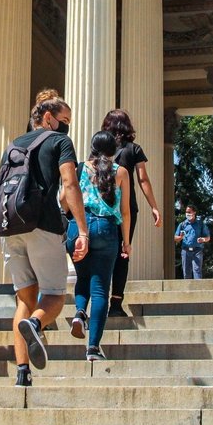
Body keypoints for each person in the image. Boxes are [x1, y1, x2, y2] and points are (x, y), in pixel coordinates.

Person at [4, 94, 89, 387]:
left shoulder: (14, 142)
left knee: (24, 300)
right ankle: (36, 324)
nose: (66, 126)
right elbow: (69, 184)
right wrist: (82, 228)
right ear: (49, 118)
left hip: (12, 226)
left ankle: (22, 371)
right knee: (54, 297)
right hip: (44, 224)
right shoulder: (60, 142)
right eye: (64, 120)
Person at [66, 131, 131, 361]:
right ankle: (93, 348)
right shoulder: (121, 172)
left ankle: (79, 312)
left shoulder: (80, 168)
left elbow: (65, 197)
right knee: (101, 288)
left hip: (78, 227)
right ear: (114, 150)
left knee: (82, 277)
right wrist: (126, 241)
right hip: (106, 228)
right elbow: (125, 211)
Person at [100, 109, 162, 317]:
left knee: (100, 253)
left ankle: (92, 303)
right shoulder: (134, 149)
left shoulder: (99, 150)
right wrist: (153, 206)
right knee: (123, 253)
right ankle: (116, 304)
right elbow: (143, 179)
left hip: (101, 209)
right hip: (127, 208)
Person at [174, 205, 210, 279]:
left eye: (189, 212)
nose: (187, 214)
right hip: (185, 250)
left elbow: (208, 237)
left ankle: (198, 289)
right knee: (186, 272)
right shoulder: (182, 224)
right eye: (186, 212)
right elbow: (175, 238)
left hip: (197, 250)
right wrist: (180, 237)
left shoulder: (200, 224)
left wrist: (203, 239)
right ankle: (188, 289)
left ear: (194, 212)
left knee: (197, 270)